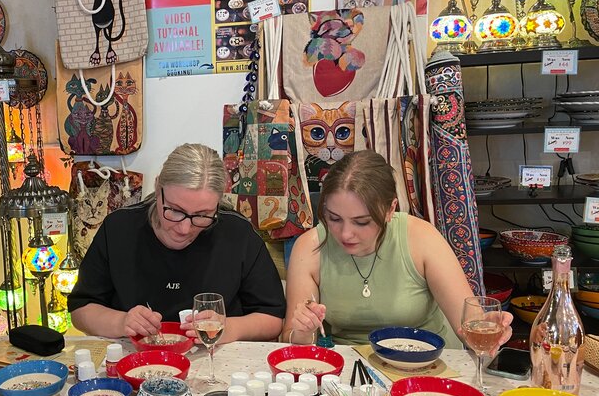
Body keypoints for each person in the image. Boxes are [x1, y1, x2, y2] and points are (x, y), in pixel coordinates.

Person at [283, 150, 512, 348]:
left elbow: (467, 324)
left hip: (426, 361)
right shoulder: (310, 247)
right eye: (333, 218)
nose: (345, 234)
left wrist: (486, 327)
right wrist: (302, 331)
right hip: (351, 372)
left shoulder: (421, 238)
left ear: (390, 209)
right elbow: (290, 338)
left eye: (362, 222)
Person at [68, 143, 285, 343]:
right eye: (174, 210)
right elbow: (81, 310)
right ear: (157, 187)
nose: (184, 229)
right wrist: (122, 322)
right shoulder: (119, 229)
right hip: (135, 361)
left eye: (202, 215)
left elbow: (273, 318)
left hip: (215, 365)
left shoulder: (236, 233)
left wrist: (231, 328)